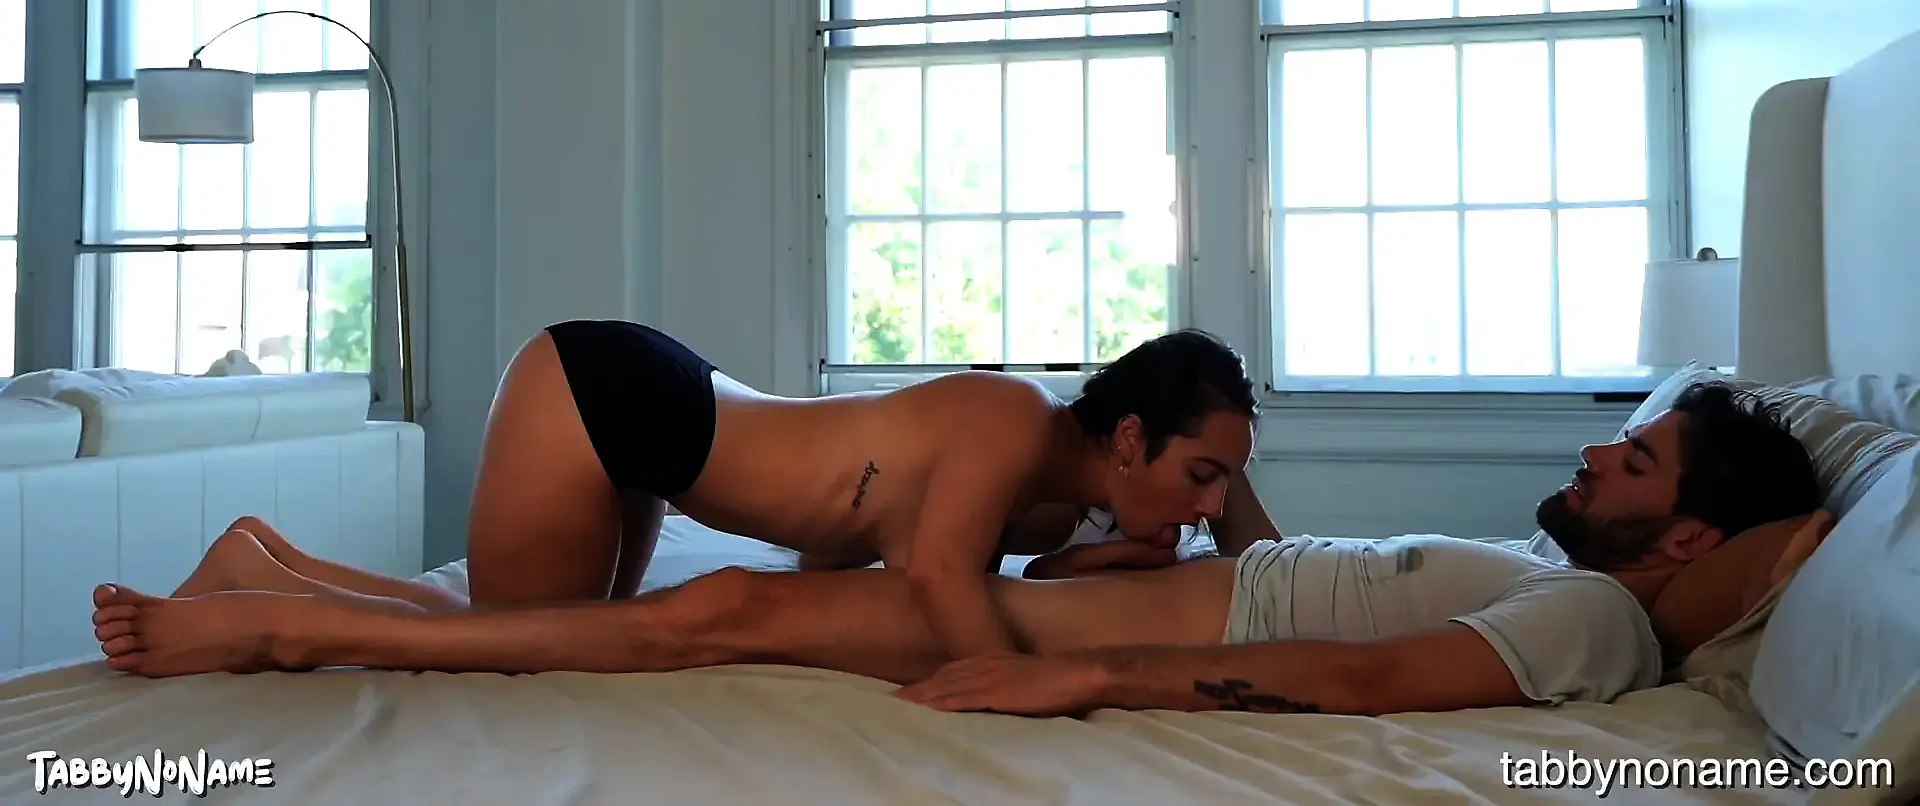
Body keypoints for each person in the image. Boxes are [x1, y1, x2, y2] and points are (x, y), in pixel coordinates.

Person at [93, 380, 1822, 720]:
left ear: (1687, 533)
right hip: (1104, 600)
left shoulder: (1599, 623)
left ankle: (282, 630)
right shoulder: (1557, 570)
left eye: (1634, 459)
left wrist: (1088, 676)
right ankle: (282, 598)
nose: (1594, 453)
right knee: (706, 605)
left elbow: (1365, 671)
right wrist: (1220, 502)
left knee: (698, 622)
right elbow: (1307, 574)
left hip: (1103, 634)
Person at [188, 323, 1262, 665]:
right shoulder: (1014, 419)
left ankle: (260, 564)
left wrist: (1082, 563)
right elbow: (939, 581)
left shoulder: (1043, 494)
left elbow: (872, 556)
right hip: (600, 394)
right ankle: (259, 591)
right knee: (516, 648)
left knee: (550, 628)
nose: (1212, 506)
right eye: (1204, 475)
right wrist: (1037, 695)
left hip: (666, 418)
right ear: (1130, 438)